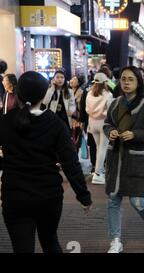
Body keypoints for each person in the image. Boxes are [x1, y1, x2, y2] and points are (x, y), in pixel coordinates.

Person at [0, 71, 92, 253]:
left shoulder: (5, 122)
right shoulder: (55, 123)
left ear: (17, 92)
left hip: (15, 195)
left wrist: (7, 164)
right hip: (48, 195)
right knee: (50, 243)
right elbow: (70, 162)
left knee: (22, 248)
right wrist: (83, 196)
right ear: (44, 94)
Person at [103, 66, 144, 253]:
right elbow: (107, 124)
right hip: (115, 159)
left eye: (131, 79)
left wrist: (135, 135)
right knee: (113, 200)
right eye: (123, 79)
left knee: (137, 201)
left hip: (138, 162)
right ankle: (115, 240)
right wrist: (110, 132)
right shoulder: (115, 103)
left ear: (138, 82)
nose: (126, 83)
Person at [86, 72, 113, 184]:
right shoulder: (108, 95)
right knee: (102, 148)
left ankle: (99, 171)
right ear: (105, 82)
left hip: (92, 122)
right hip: (103, 123)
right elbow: (110, 111)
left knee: (98, 148)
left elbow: (86, 109)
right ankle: (98, 174)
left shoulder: (89, 93)